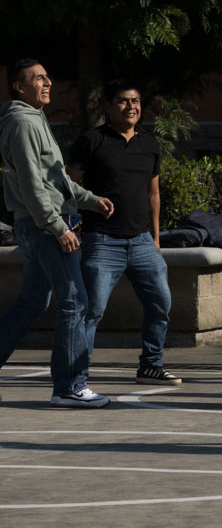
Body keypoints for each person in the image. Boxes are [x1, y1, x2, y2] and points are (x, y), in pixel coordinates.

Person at [0, 59, 114, 408]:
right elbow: (33, 184)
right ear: (19, 87)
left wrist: (91, 200)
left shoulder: (33, 118)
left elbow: (56, 179)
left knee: (34, 300)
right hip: (44, 225)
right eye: (38, 78)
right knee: (74, 300)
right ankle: (68, 386)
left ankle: (68, 384)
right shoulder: (21, 122)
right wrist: (57, 226)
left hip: (39, 223)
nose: (47, 82)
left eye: (47, 76)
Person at [66, 78, 181, 386]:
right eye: (123, 101)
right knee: (92, 312)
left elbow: (153, 194)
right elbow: (68, 186)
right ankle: (76, 376)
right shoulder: (92, 141)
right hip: (102, 241)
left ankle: (151, 365)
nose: (131, 107)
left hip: (142, 241)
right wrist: (71, 221)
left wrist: (155, 238)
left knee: (161, 304)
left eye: (136, 102)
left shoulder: (149, 143)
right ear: (108, 106)